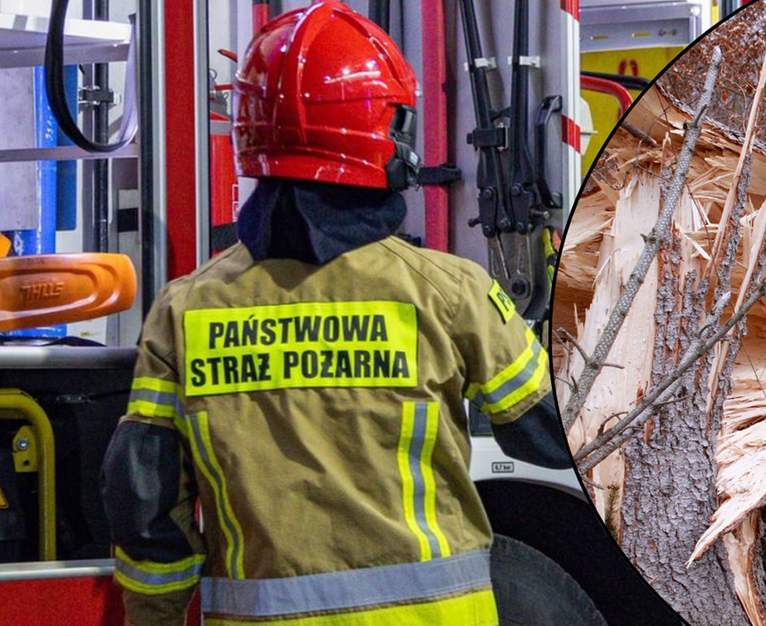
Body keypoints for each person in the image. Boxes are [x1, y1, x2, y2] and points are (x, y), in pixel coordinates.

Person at [99, 3, 570, 625]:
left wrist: (154, 617)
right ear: (386, 134)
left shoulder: (184, 310)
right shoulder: (449, 292)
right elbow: (557, 436)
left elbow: (144, 498)